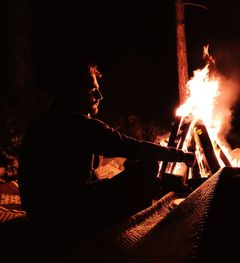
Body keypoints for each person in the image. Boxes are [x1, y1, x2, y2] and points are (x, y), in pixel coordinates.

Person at [17, 58, 195, 248]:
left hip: (38, 218)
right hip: (63, 221)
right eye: (93, 91)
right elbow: (134, 147)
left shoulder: (41, 122)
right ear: (76, 93)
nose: (100, 96)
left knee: (124, 172)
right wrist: (181, 155)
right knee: (147, 167)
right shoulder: (80, 125)